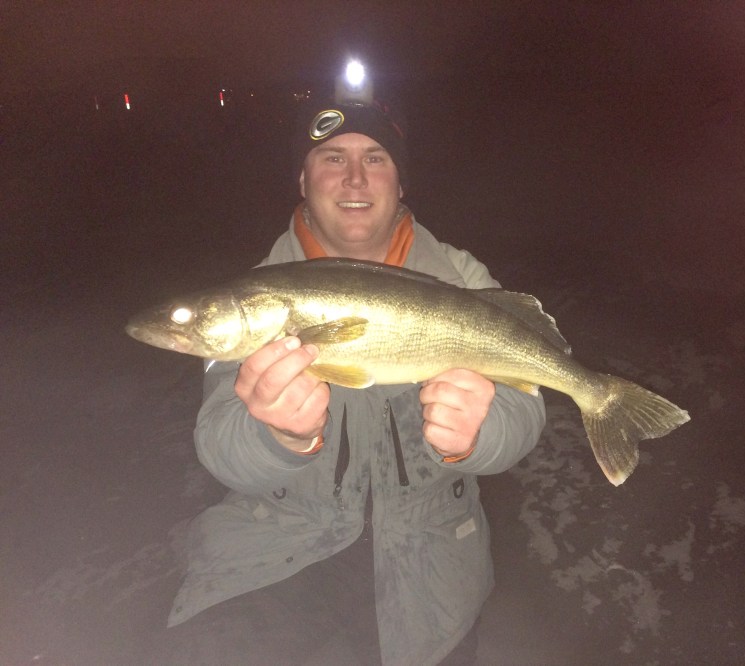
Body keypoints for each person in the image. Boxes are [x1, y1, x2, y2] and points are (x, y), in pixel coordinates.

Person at [158, 95, 546, 665]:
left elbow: (526, 408)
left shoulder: (463, 279)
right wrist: (280, 436)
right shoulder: (256, 299)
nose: (355, 177)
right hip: (278, 556)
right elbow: (220, 448)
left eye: (376, 158)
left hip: (433, 572)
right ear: (303, 179)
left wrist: (481, 435)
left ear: (401, 182)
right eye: (333, 158)